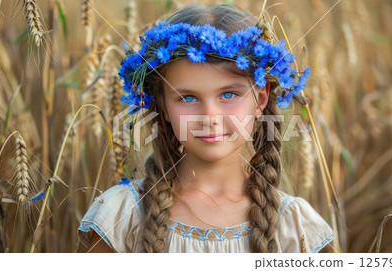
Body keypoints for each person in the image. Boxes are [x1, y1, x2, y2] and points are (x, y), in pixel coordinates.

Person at [78, 4, 335, 253]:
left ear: (261, 98)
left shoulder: (296, 227)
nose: (210, 117)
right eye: (188, 98)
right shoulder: (123, 217)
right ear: (163, 105)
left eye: (229, 95)